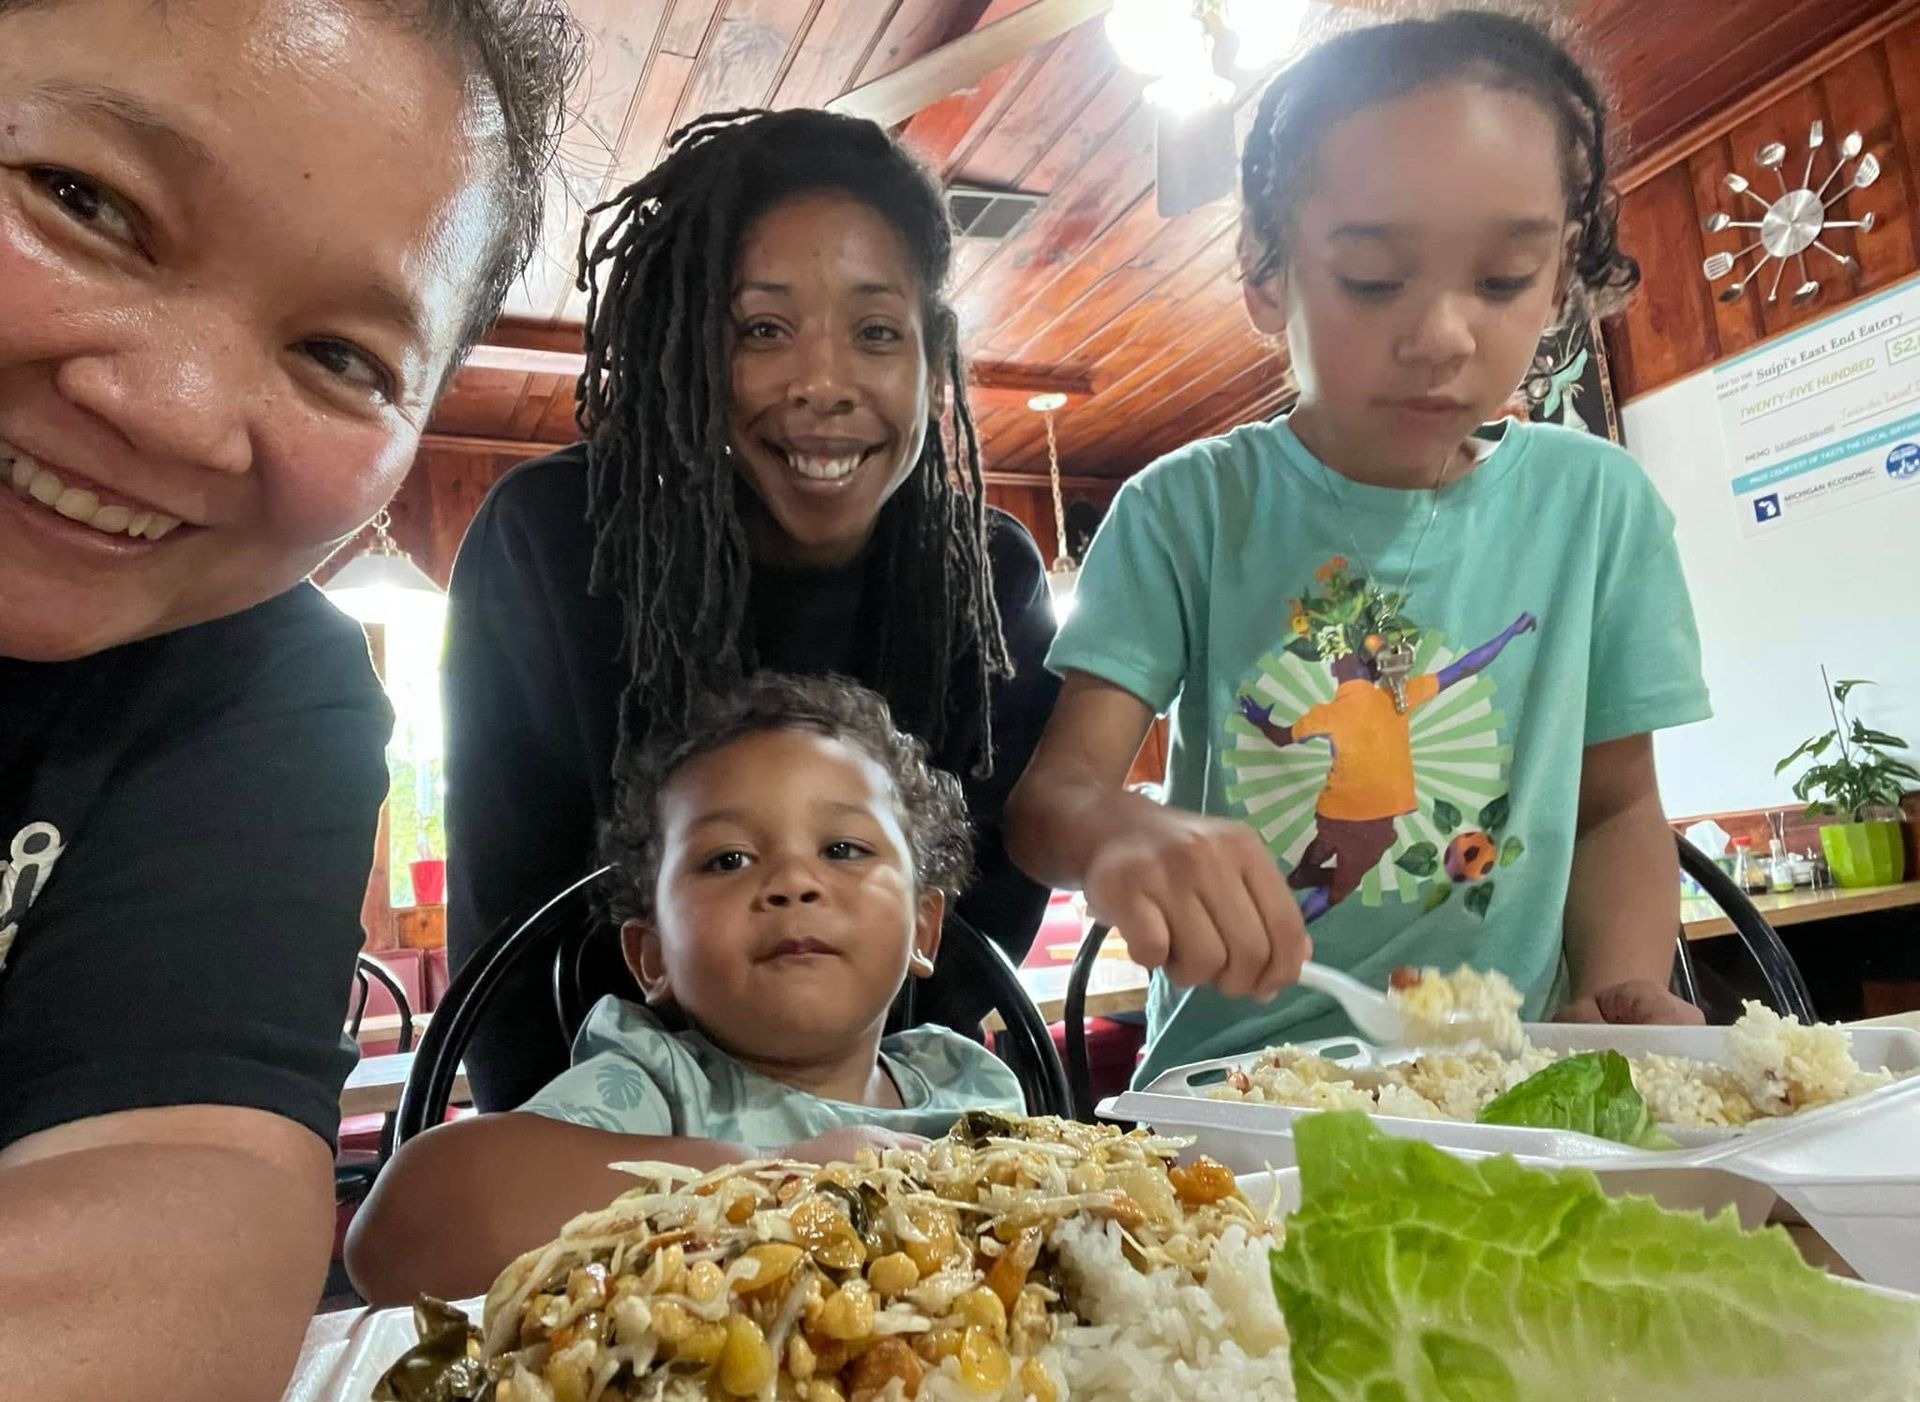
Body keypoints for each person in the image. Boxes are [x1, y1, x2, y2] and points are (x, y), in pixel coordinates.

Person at [0, 0, 579, 1402]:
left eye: (341, 358)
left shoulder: (266, 686)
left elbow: (178, 1216)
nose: (182, 412)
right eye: (87, 204)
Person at [1007, 10, 1711, 1087]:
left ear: (1562, 271)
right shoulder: (1186, 513)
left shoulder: (1598, 508)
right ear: (1264, 273)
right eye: (1376, 280)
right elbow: (1049, 804)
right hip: (1235, 1094)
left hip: (1498, 1089)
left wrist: (1613, 1000)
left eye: (1504, 279)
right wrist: (1112, 833)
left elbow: (1615, 807)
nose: (1442, 335)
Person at [443, 108, 1061, 1112]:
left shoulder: (984, 576)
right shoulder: (553, 543)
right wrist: (575, 1188)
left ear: (929, 355)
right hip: (603, 1150)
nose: (824, 385)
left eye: (874, 333)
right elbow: (506, 928)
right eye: (763, 331)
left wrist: (858, 1138)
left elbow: (974, 922)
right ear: (688, 350)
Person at [348, 675, 1023, 1306]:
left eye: (843, 849)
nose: (793, 881)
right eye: (727, 859)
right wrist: (770, 1174)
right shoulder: (656, 1091)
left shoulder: (971, 1089)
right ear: (653, 957)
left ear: (924, 932)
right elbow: (399, 1236)